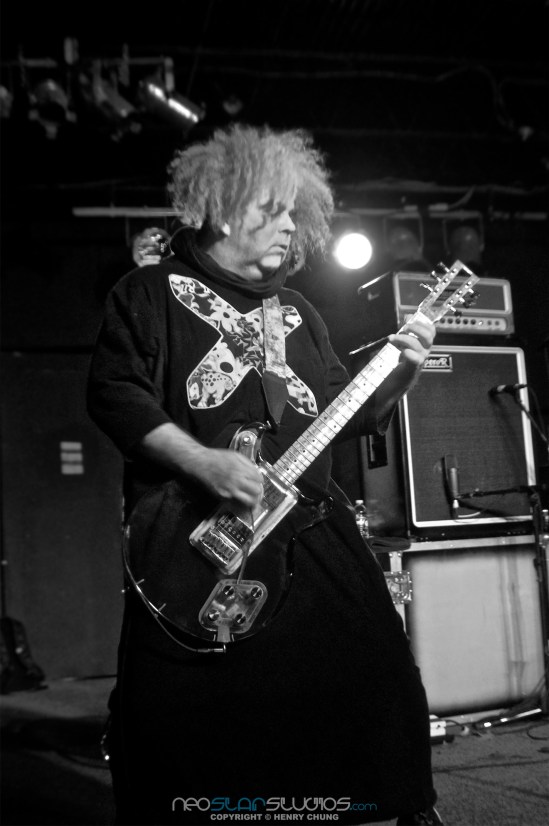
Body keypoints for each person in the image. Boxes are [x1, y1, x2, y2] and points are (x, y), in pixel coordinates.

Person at [87, 123, 442, 826]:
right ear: (222, 209)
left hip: (310, 528)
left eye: (293, 214)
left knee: (377, 678)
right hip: (197, 533)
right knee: (194, 706)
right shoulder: (149, 292)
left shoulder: (297, 313)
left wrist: (402, 372)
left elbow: (344, 414)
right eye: (272, 210)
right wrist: (202, 462)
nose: (288, 227)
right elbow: (115, 394)